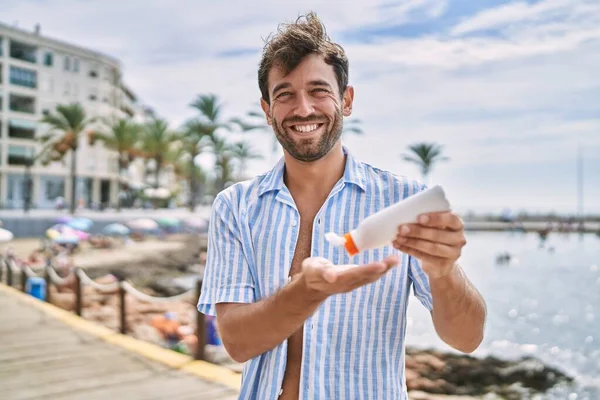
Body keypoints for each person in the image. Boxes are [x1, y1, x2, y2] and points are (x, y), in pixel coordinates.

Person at [198, 12, 486, 400]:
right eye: (284, 94)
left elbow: (467, 339)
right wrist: (307, 292)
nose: (303, 109)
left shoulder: (403, 202)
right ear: (267, 110)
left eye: (319, 90)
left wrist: (444, 271)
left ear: (346, 100)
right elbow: (236, 342)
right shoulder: (235, 207)